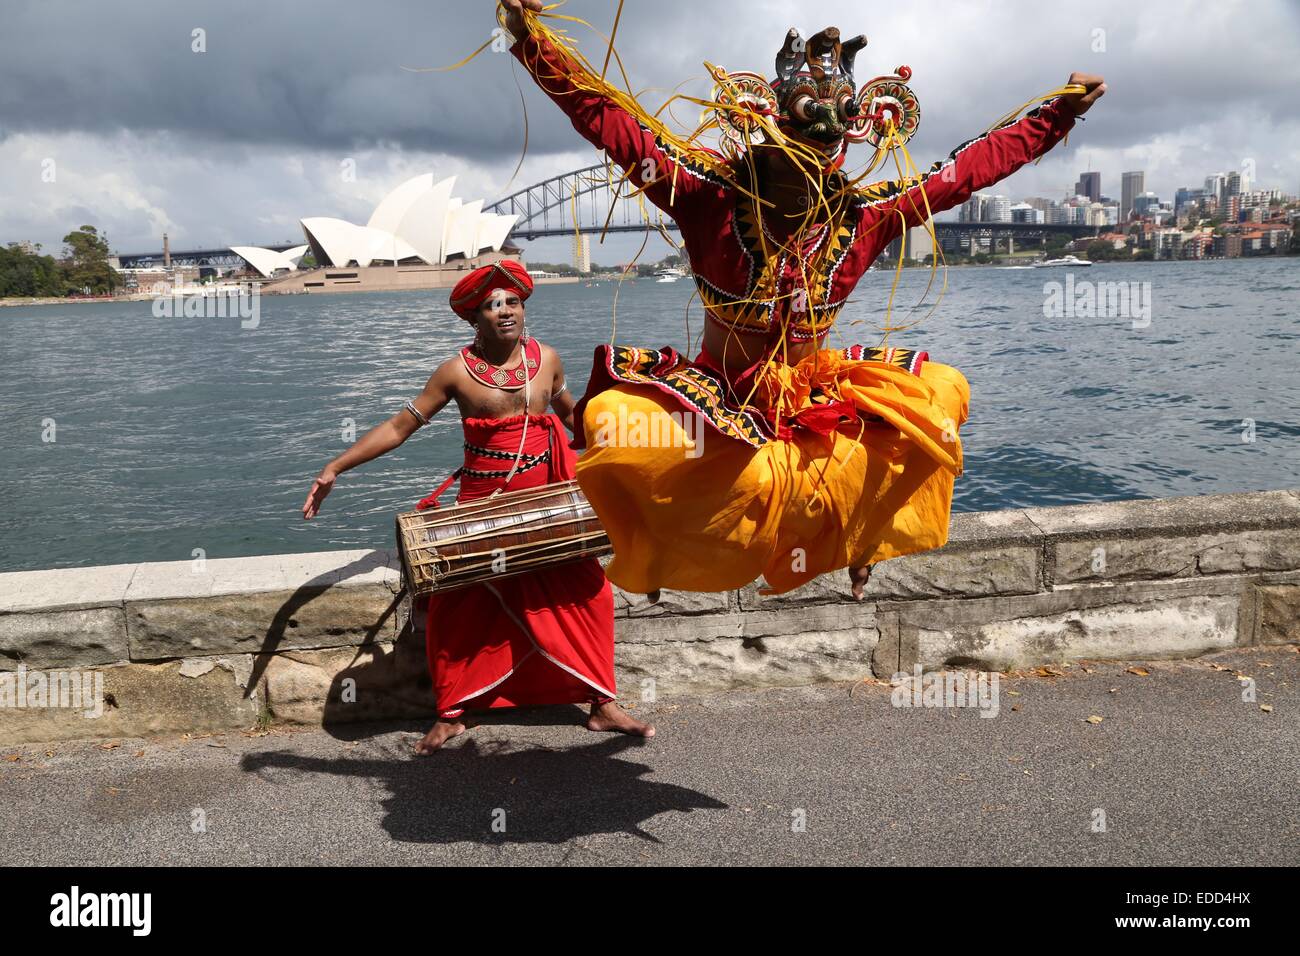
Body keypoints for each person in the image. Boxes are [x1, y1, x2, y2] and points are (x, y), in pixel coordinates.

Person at [498, 0, 1106, 599]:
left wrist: (1057, 113)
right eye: (797, 148)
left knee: (943, 394)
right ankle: (658, 546)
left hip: (814, 395)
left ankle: (861, 539)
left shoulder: (867, 215)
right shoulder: (701, 193)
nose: (808, 170)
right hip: (722, 394)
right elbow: (608, 121)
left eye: (823, 152)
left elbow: (967, 173)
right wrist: (530, 41)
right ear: (765, 129)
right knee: (618, 426)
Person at [302, 259, 654, 753]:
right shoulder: (455, 373)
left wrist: (633, 446)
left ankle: (602, 703)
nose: (504, 311)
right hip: (483, 507)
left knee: (587, 593)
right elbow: (399, 428)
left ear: (524, 308)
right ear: (475, 319)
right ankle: (451, 713)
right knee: (460, 607)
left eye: (512, 302)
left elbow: (575, 417)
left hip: (549, 502)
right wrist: (335, 467)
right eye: (492, 306)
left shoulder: (547, 359)